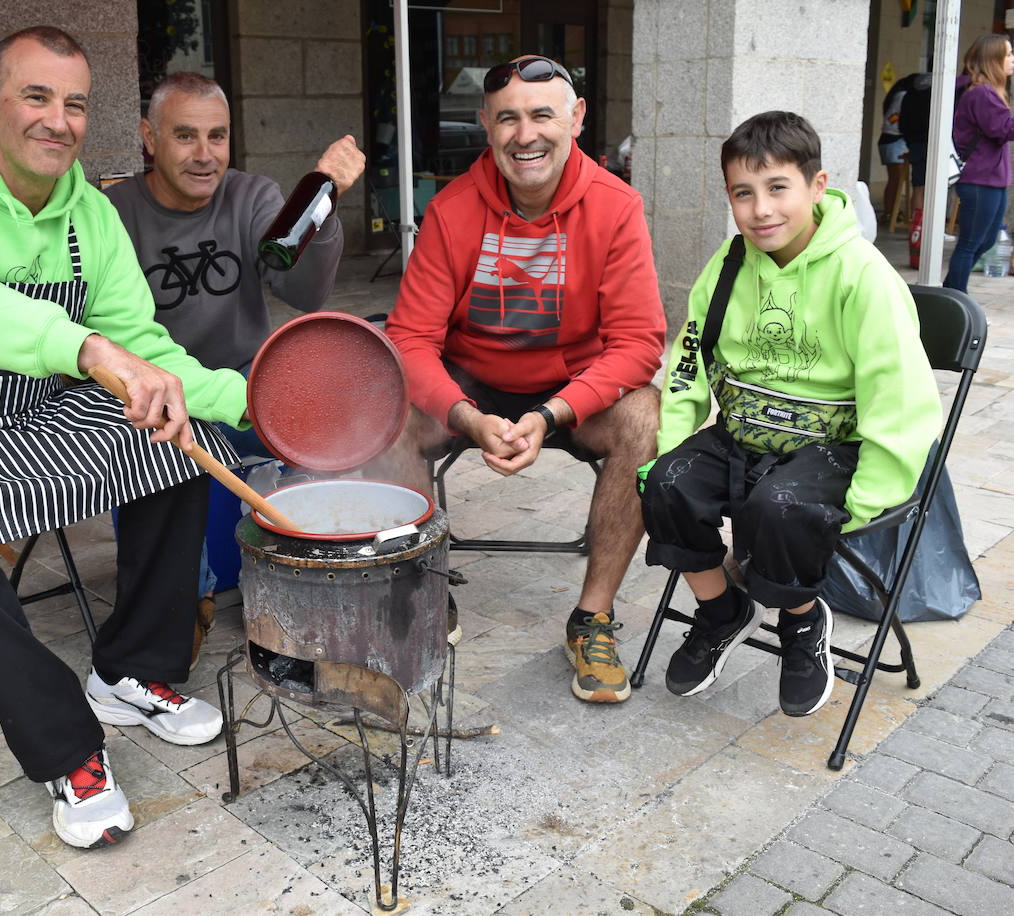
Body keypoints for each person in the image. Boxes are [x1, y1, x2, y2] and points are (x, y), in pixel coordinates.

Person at [0, 27, 249, 850]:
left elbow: (147, 350)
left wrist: (255, 403)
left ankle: (131, 668)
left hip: (31, 410)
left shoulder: (90, 216)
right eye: (36, 96)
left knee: (174, 435)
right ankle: (69, 747)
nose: (57, 121)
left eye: (74, 104)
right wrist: (88, 350)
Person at [371, 55, 666, 705]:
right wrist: (465, 416)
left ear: (577, 119)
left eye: (541, 115)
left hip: (571, 390)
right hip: (473, 382)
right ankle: (422, 596)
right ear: (485, 124)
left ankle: (591, 618)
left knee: (648, 417)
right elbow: (411, 339)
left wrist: (555, 412)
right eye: (507, 117)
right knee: (383, 413)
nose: (524, 134)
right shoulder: (452, 211)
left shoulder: (616, 207)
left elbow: (639, 343)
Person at [639, 111, 941, 716]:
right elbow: (690, 363)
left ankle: (803, 622)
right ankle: (723, 611)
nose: (761, 210)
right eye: (742, 194)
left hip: (834, 447)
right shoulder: (727, 267)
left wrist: (868, 495)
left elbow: (900, 397)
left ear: (817, 185)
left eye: (778, 187)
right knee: (666, 486)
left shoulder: (864, 277)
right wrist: (666, 448)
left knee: (778, 508)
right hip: (744, 433)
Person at [103, 72, 365, 664]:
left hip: (248, 387)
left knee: (325, 437)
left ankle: (305, 589)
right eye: (185, 136)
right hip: (156, 399)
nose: (204, 155)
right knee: (155, 453)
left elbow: (305, 293)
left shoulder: (253, 196)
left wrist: (322, 200)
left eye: (217, 136)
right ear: (149, 138)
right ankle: (186, 603)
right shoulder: (112, 212)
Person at [945, 33, 1014, 291]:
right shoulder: (982, 93)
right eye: (1007, 54)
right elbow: (1002, 129)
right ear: (993, 60)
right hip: (979, 179)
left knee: (984, 242)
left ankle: (950, 292)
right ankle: (956, 300)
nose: (1012, 60)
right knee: (970, 244)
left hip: (992, 179)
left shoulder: (989, 92)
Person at [877, 72, 921, 220]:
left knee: (894, 179)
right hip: (894, 139)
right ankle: (890, 213)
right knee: (895, 179)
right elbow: (895, 121)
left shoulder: (897, 94)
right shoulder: (903, 96)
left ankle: (890, 212)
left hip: (890, 139)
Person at [898, 73, 932, 219]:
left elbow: (902, 124)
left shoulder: (909, 94)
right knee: (934, 189)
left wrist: (910, 141)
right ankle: (933, 227)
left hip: (915, 145)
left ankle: (916, 227)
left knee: (917, 187)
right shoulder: (938, 93)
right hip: (933, 144)